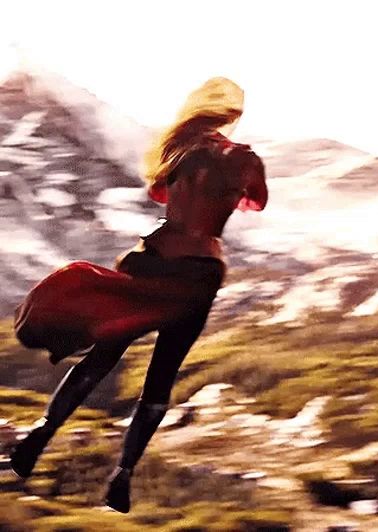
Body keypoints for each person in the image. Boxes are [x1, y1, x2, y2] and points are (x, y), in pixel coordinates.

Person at [10, 77, 267, 513]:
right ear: (232, 115)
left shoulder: (182, 148)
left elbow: (158, 192)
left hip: (149, 256)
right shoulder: (244, 159)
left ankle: (42, 430)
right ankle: (122, 475)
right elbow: (256, 202)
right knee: (162, 374)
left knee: (102, 356)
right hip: (197, 275)